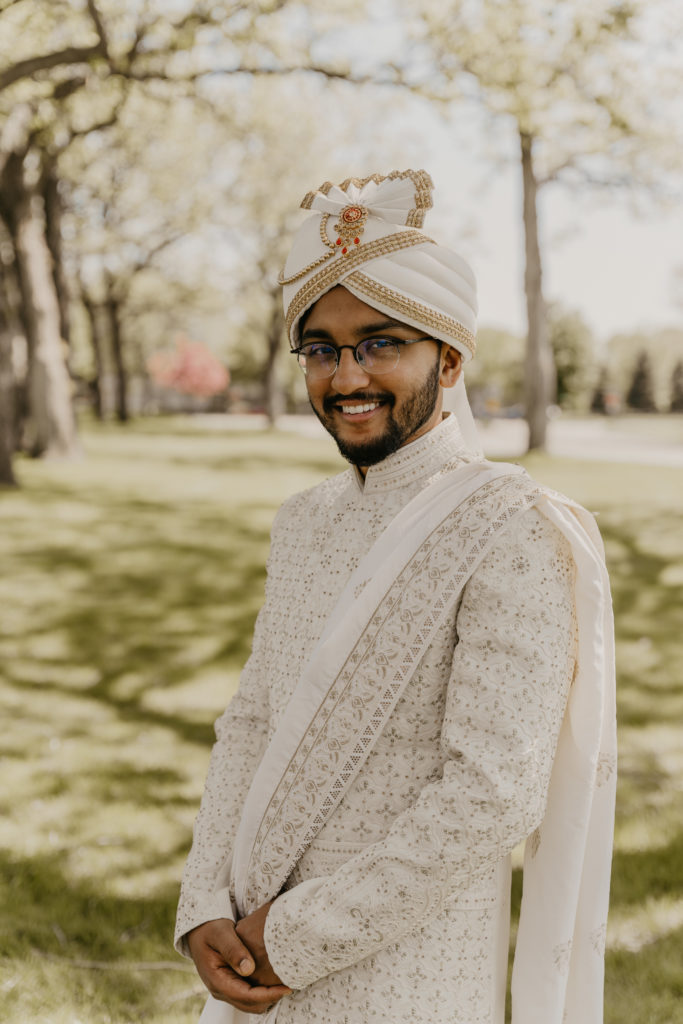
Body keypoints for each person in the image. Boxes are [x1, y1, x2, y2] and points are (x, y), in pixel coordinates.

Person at [175, 170, 616, 1024]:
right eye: (322, 348)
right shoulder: (301, 522)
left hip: (402, 970)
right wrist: (203, 906)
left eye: (381, 343)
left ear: (448, 357)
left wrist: (296, 937)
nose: (347, 377)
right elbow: (253, 723)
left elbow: (491, 791)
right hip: (246, 944)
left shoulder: (511, 526)